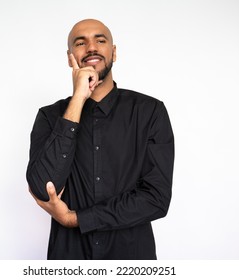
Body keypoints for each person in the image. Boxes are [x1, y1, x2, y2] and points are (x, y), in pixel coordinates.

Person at [26, 19, 174, 260]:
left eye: (100, 40)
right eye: (81, 42)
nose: (91, 48)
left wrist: (76, 219)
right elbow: (44, 189)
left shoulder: (150, 112)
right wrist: (78, 100)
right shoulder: (50, 116)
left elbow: (156, 199)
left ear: (113, 52)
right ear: (70, 56)